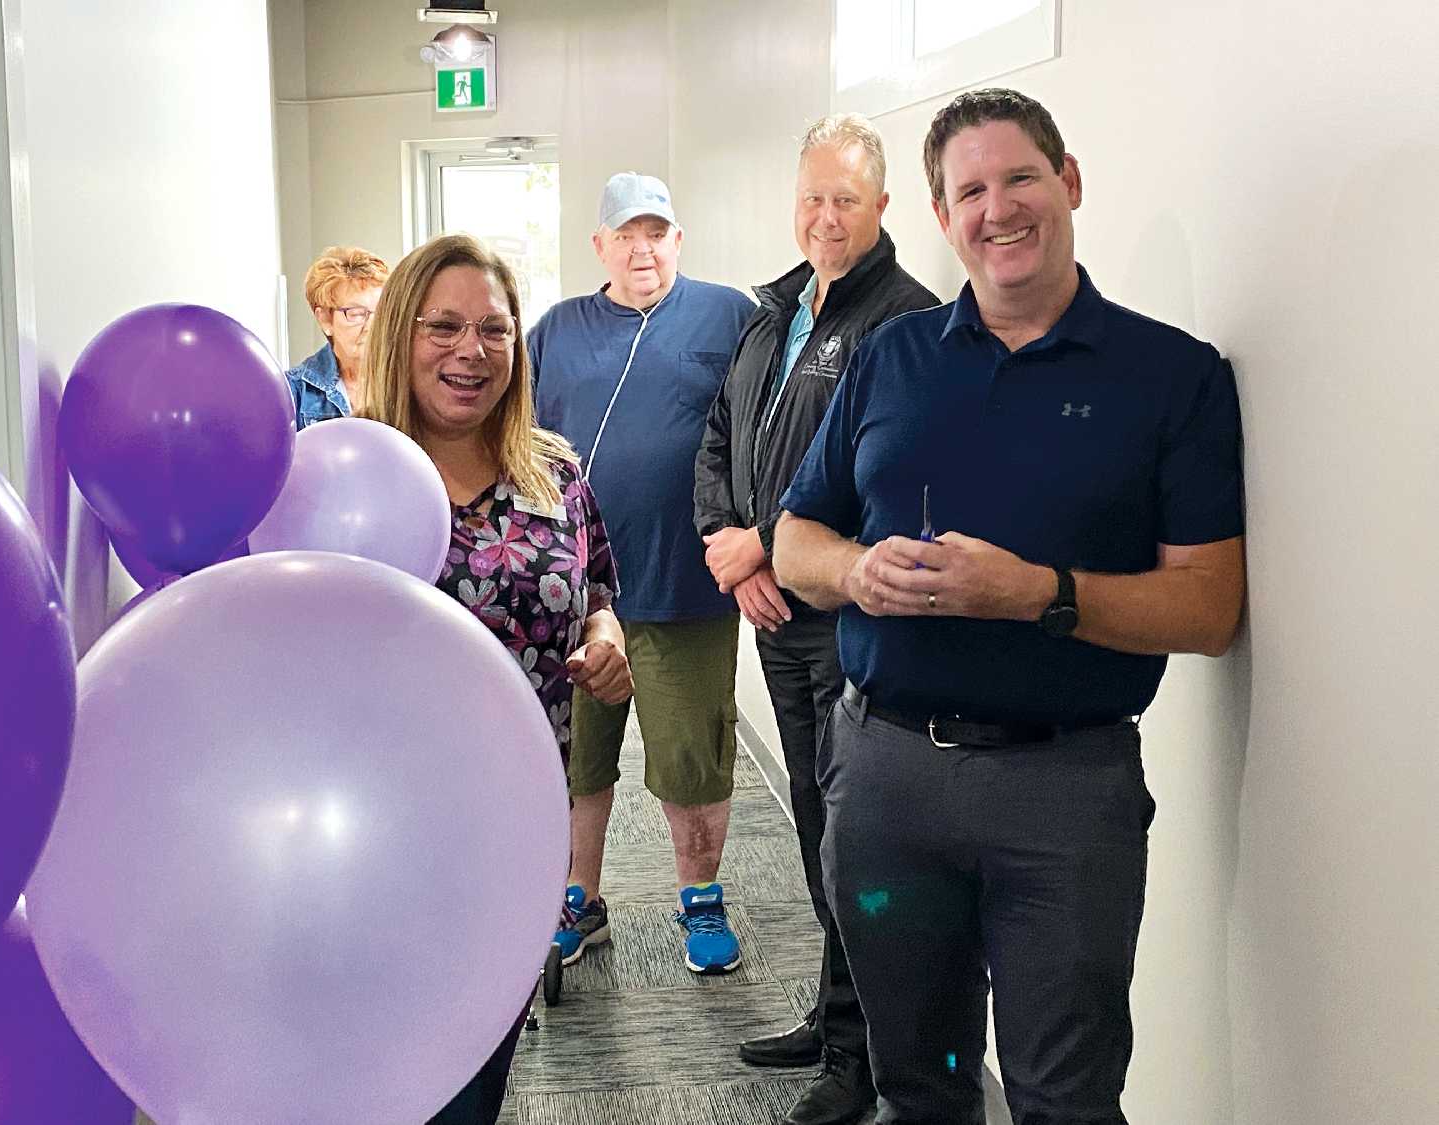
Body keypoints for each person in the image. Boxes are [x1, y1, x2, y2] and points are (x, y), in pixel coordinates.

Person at [774, 88, 1246, 1125]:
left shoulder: (1172, 377)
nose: (1000, 210)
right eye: (970, 191)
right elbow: (794, 538)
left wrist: (1037, 595)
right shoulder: (894, 359)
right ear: (942, 218)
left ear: (1068, 182)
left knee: (1065, 1097)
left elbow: (1210, 609)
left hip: (1065, 791)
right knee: (921, 1089)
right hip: (887, 782)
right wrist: (855, 574)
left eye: (1020, 177)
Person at [693, 114, 937, 1125]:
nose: (824, 216)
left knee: (857, 842)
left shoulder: (905, 322)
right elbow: (721, 432)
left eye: (844, 198)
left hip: (843, 621)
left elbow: (878, 472)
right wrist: (726, 538)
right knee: (811, 825)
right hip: (772, 615)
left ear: (882, 206)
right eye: (811, 197)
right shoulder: (775, 310)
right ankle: (839, 1024)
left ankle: (870, 1056)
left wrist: (766, 541)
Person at [361, 232, 633, 1124]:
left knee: (479, 1079)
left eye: (493, 329)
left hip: (518, 828)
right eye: (442, 326)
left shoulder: (554, 471)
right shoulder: (349, 477)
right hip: (378, 838)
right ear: (400, 335)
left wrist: (605, 636)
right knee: (392, 1081)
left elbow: (597, 592)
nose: (470, 351)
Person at [530, 172, 756, 975]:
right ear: (599, 246)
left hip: (684, 589)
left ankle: (700, 900)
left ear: (678, 241)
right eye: (625, 234)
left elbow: (762, 431)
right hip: (575, 595)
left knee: (692, 762)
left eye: (656, 232)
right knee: (574, 763)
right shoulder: (557, 331)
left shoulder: (729, 316)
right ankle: (577, 901)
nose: (641, 248)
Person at [287, 245, 388, 430]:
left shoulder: (410, 382)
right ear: (325, 319)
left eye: (382, 312)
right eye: (357, 313)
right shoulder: (294, 392)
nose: (373, 326)